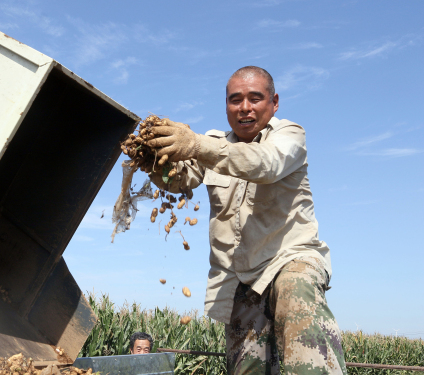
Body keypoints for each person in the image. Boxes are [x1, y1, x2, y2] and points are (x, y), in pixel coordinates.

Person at [145, 66, 346, 374]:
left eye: (255, 98)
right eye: (235, 100)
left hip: (289, 259)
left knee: (297, 294)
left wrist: (197, 145)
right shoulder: (213, 141)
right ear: (226, 105)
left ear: (274, 102)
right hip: (241, 279)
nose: (245, 108)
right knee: (247, 368)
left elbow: (265, 164)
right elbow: (179, 181)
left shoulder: (289, 136)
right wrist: (154, 161)